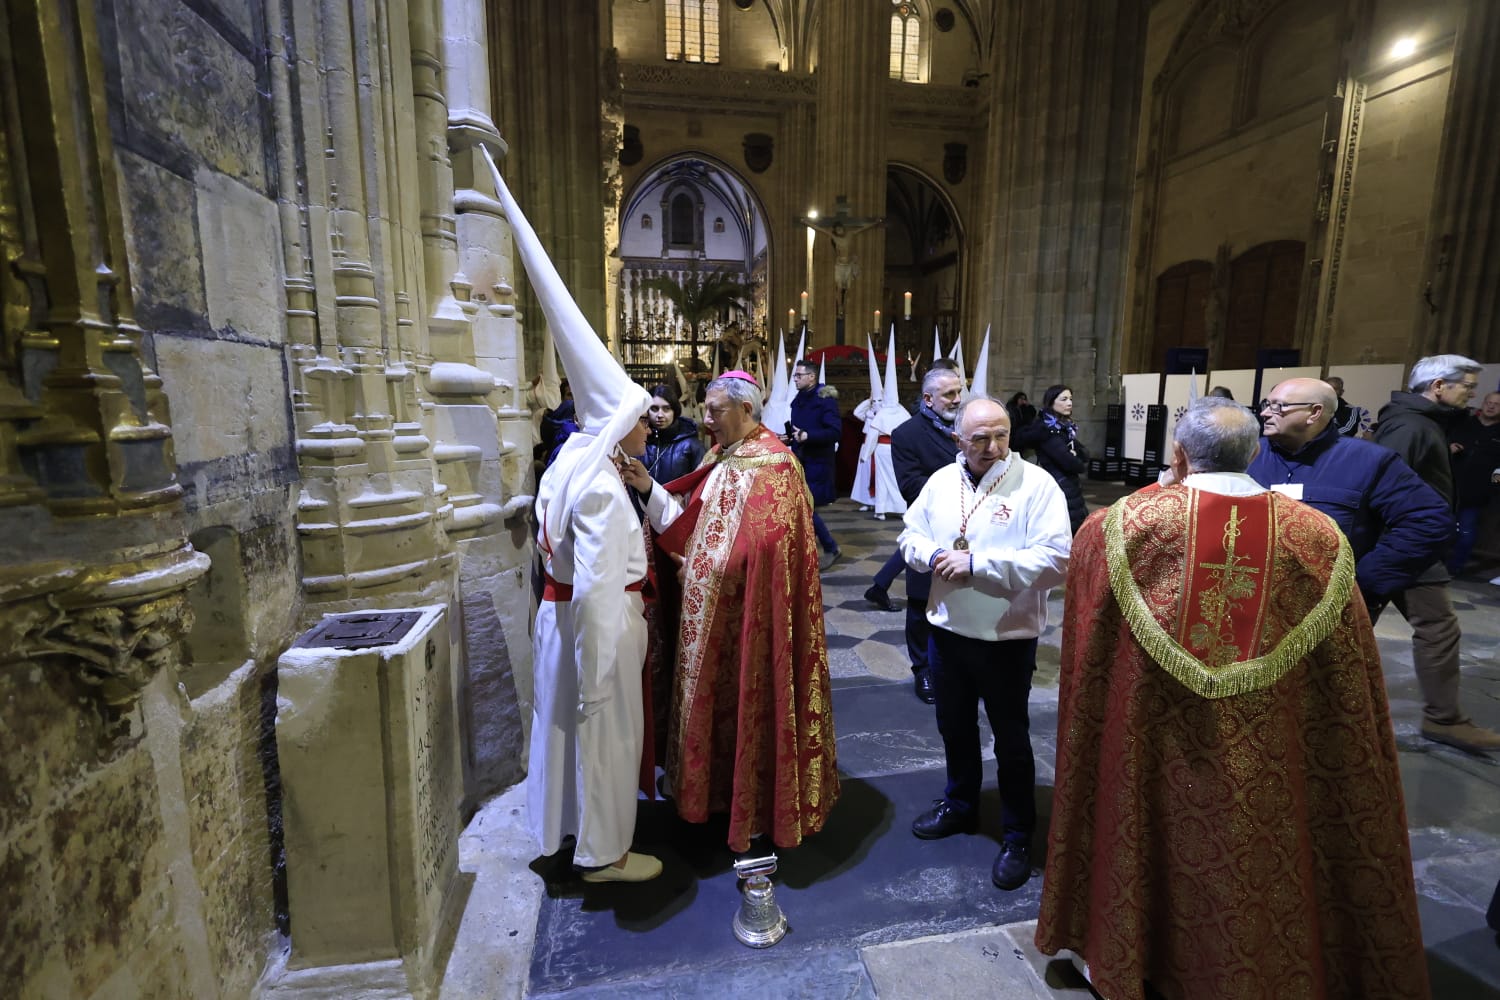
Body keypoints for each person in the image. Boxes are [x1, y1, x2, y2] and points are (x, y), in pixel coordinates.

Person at [1038, 397, 1430, 1000]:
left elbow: (1089, 654)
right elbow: (1345, 678)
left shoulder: (1120, 525)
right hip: (1271, 749)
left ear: (1177, 453)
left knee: (1139, 825)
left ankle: (1127, 954)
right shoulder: (1316, 533)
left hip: (1151, 739)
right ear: (1256, 453)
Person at [492, 158, 662, 883]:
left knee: (559, 737)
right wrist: (601, 671)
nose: (650, 430)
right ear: (619, 424)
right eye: (642, 421)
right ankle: (606, 855)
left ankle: (560, 834)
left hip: (561, 623)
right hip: (599, 627)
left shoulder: (569, 462)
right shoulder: (598, 487)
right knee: (605, 736)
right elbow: (597, 584)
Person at [624, 371, 839, 853]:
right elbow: (695, 519)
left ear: (745, 410)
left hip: (751, 619)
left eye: (715, 410)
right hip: (709, 611)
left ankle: (757, 804)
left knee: (752, 704)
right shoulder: (722, 455)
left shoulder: (777, 468)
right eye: (704, 408)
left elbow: (767, 548)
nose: (705, 419)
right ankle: (712, 796)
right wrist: (648, 488)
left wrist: (699, 566)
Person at [1247, 376, 1500, 753]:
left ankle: (1437, 720)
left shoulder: (1368, 459)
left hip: (1354, 579)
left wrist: (1365, 579)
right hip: (1279, 589)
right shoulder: (1250, 456)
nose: (1266, 412)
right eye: (1266, 404)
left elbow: (1428, 518)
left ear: (1316, 413)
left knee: (1414, 637)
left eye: (1279, 406)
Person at [899, 396, 1071, 891]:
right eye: (979, 438)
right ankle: (960, 803)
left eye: (1001, 435)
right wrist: (931, 553)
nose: (992, 446)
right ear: (958, 439)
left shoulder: (1036, 485)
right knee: (953, 726)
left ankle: (1018, 833)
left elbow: (1057, 559)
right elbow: (910, 535)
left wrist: (979, 565)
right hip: (948, 630)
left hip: (1006, 636)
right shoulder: (940, 481)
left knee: (1011, 738)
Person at [1370, 356, 1500, 753]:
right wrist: (1398, 546)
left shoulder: (1422, 423)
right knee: (1433, 629)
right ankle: (1443, 719)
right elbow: (1380, 487)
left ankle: (1444, 719)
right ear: (1439, 386)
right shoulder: (1411, 426)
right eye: (1468, 386)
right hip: (1403, 547)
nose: (1473, 394)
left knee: (1435, 629)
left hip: (1407, 546)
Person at [890, 366, 965, 702]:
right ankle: (923, 670)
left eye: (959, 392)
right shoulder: (907, 434)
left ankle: (959, 667)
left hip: (973, 529)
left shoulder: (969, 426)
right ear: (928, 399)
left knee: (963, 598)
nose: (957, 399)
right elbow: (910, 487)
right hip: (931, 530)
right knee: (921, 602)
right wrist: (962, 484)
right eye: (950, 394)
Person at [788, 359, 843, 569]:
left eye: (799, 375)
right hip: (800, 458)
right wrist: (788, 437)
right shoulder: (800, 397)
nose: (795, 379)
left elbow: (835, 431)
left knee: (805, 506)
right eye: (795, 375)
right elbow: (799, 429)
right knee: (802, 506)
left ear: (812, 377)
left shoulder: (824, 399)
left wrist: (808, 435)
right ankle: (809, 549)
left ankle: (830, 548)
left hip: (817, 462)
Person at [1015, 383, 1089, 534]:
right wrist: (1076, 457)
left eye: (1070, 399)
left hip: (1070, 487)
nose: (1069, 403)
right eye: (1063, 399)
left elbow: (1085, 453)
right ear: (1051, 402)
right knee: (1067, 533)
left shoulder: (1063, 427)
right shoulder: (1047, 430)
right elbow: (1072, 463)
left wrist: (1078, 455)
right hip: (1060, 486)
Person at [1448, 390, 1500, 576]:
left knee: (1465, 534)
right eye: (1489, 402)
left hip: (1476, 496)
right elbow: (1441, 447)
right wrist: (1449, 449)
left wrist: (1493, 488)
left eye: (1497, 404)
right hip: (1449, 489)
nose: (1491, 406)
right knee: (1440, 530)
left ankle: (1455, 569)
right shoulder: (1465, 425)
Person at [642, 383, 706, 485]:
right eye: (654, 409)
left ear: (674, 411)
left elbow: (702, 483)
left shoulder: (691, 444)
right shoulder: (639, 441)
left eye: (666, 409)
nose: (660, 415)